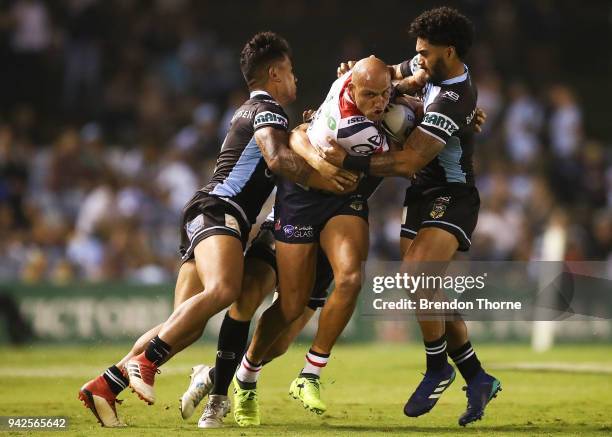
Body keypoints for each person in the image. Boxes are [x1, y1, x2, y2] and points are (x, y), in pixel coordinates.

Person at [77, 31, 356, 427]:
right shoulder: (269, 111)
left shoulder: (252, 110)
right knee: (225, 289)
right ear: (275, 73)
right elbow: (277, 160)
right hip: (219, 211)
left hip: (206, 213)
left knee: (183, 325)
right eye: (291, 71)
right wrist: (326, 180)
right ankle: (146, 363)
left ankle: (105, 386)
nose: (295, 79)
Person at [322, 7, 501, 427]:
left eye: (425, 51)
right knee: (428, 291)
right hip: (422, 193)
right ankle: (477, 377)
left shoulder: (457, 97)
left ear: (449, 50)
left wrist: (350, 161)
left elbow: (408, 160)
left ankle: (437, 367)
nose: (417, 57)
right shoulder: (426, 64)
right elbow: (383, 70)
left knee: (416, 276)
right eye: (417, 51)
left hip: (453, 192)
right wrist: (358, 72)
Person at [230, 56, 394, 427]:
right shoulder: (342, 113)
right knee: (290, 308)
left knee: (351, 277)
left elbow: (409, 77)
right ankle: (245, 376)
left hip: (344, 199)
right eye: (369, 95)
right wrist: (320, 159)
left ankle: (310, 374)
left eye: (384, 94)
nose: (379, 103)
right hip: (302, 197)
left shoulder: (392, 96)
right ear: (350, 87)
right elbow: (299, 134)